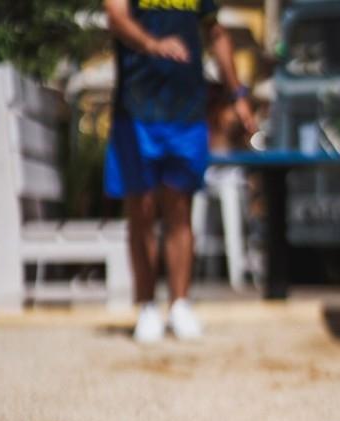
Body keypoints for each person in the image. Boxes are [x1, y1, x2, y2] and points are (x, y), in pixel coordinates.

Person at [103, 0, 257, 342]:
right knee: (141, 210)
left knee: (179, 209)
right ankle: (146, 306)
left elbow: (215, 33)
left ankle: (180, 304)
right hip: (136, 110)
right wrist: (152, 45)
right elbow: (115, 16)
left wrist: (238, 94)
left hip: (186, 111)